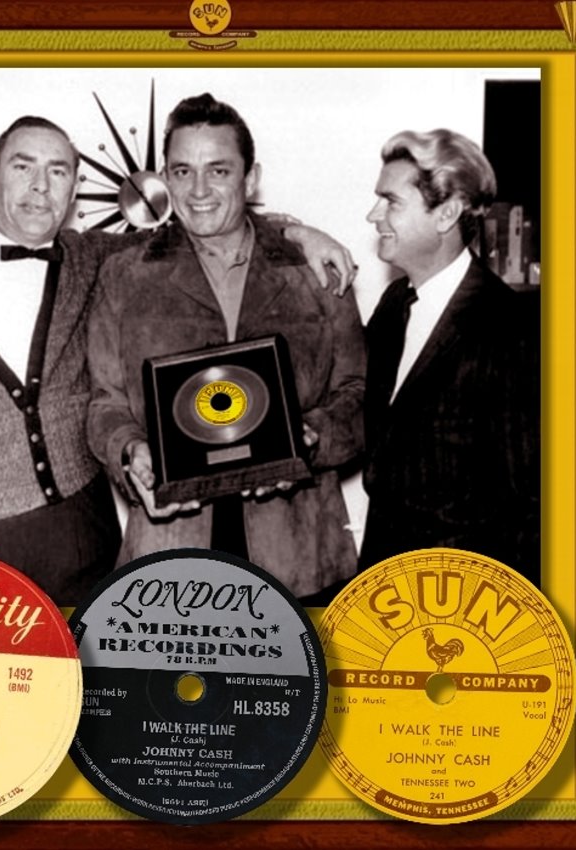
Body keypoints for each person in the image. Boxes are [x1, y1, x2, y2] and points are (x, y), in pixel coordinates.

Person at [0, 114, 357, 606]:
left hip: (84, 533)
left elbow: (208, 221)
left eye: (57, 171)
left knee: (84, 658)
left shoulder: (96, 259)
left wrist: (296, 232)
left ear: (74, 189)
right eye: (22, 167)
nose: (40, 186)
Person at [86, 94, 366, 601]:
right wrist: (130, 454)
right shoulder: (124, 276)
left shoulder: (316, 271)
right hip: (171, 554)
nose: (199, 190)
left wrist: (308, 440)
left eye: (218, 171)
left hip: (302, 556)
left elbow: (359, 396)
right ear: (165, 179)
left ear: (250, 179)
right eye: (183, 171)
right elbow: (105, 404)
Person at [357, 128, 540, 584]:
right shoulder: (394, 305)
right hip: (383, 585)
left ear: (447, 214)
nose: (373, 215)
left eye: (390, 202)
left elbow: (530, 506)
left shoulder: (510, 328)